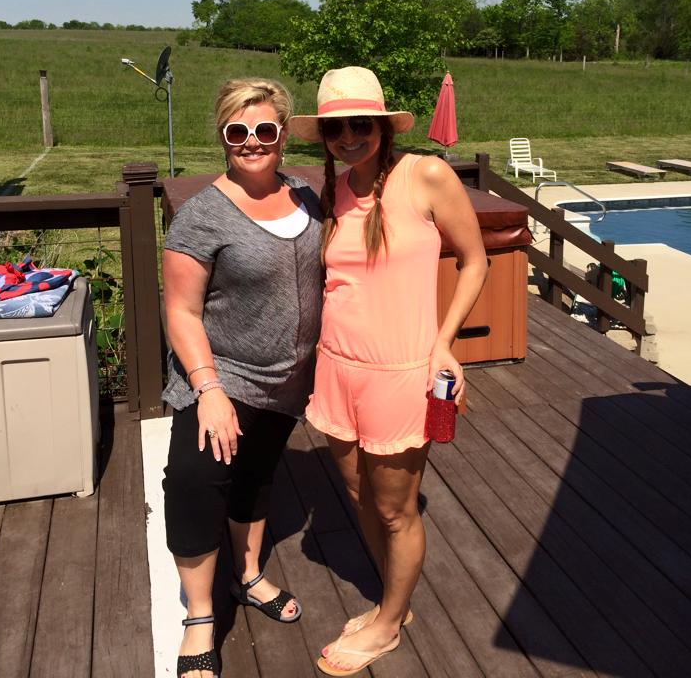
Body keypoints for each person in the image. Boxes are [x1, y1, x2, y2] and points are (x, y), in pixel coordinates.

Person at [289, 66, 488, 677]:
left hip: (401, 372)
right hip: (336, 367)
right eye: (336, 129)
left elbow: (475, 259)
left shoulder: (425, 175)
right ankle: (391, 603)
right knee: (358, 495)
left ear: (382, 126)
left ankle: (387, 624)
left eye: (361, 124)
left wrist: (445, 343)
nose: (349, 137)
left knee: (398, 511)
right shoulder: (332, 192)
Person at [161, 78, 323, 678]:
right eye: (237, 131)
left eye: (264, 129)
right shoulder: (203, 215)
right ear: (223, 137)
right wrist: (208, 390)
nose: (251, 141)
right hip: (223, 376)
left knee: (255, 477)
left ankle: (248, 576)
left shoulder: (306, 196)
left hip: (288, 380)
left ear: (283, 135)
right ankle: (200, 617)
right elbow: (181, 311)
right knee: (195, 483)